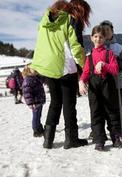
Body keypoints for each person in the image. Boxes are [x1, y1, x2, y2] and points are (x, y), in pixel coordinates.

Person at [30, 0, 91, 149]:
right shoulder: (68, 21)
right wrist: (86, 67)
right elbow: (76, 48)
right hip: (65, 68)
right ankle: (71, 139)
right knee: (69, 104)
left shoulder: (44, 23)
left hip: (48, 68)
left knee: (55, 102)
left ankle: (48, 139)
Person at [79, 25, 122, 151]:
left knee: (111, 111)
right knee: (96, 112)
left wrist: (103, 64)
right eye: (96, 36)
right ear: (91, 38)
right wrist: (81, 81)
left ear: (105, 39)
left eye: (101, 37)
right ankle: (99, 139)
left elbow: (115, 69)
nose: (98, 39)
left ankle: (115, 137)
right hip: (94, 86)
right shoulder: (89, 56)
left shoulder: (109, 53)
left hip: (108, 85)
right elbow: (86, 72)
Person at [100, 20, 122, 136]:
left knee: (118, 106)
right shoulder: (99, 46)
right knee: (102, 106)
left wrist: (120, 64)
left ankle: (120, 129)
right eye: (103, 30)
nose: (105, 32)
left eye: (108, 30)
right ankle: (100, 131)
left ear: (112, 31)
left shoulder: (119, 47)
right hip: (102, 81)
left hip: (117, 80)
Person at [22, 65, 46, 137]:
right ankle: (36, 131)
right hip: (34, 102)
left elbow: (43, 79)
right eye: (34, 69)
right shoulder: (28, 79)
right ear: (29, 70)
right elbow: (27, 92)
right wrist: (30, 103)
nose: (36, 70)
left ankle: (39, 128)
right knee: (35, 116)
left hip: (39, 100)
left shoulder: (36, 77)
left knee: (38, 116)